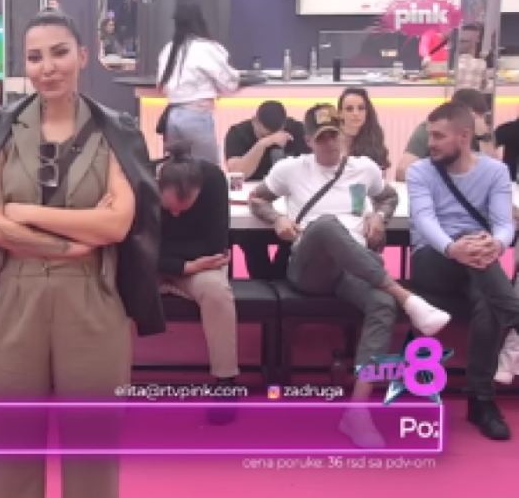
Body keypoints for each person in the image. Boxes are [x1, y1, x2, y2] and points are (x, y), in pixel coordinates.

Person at [0, 7, 163, 498]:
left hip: (94, 300)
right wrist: (74, 242)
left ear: (82, 56)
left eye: (59, 53)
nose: (47, 67)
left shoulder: (117, 130)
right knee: (8, 451)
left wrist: (22, 212)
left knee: (93, 452)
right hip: (14, 296)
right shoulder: (1, 127)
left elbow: (117, 223)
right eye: (35, 57)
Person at [249, 103, 451, 448]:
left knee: (382, 304)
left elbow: (387, 196)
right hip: (309, 268)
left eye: (335, 135)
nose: (330, 143)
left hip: (354, 268)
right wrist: (277, 218)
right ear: (309, 140)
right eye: (323, 138)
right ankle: (406, 295)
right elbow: (257, 198)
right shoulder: (290, 168)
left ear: (343, 135)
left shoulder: (364, 168)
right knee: (327, 225)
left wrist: (380, 217)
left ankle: (357, 410)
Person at [406, 101, 519, 441]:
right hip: (433, 258)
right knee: (477, 257)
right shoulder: (420, 171)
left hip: (478, 264)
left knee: (487, 301)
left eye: (439, 136)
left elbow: (504, 224)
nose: (431, 143)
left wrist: (497, 244)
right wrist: (453, 247)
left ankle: (480, 400)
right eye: (430, 136)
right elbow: (424, 221)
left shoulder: (495, 172)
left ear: (464, 136)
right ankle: (515, 314)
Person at [158, 143, 240, 424]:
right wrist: (183, 265)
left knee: (217, 291)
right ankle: (113, 380)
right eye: (171, 208)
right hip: (158, 265)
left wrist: (169, 257)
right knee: (110, 286)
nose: (176, 214)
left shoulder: (214, 180)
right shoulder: (140, 180)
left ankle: (226, 380)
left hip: (202, 265)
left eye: (184, 208)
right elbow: (137, 247)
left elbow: (216, 246)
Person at [225, 100, 310, 279]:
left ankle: (278, 279)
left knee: (297, 238)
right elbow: (237, 172)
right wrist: (262, 144)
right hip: (254, 201)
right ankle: (263, 282)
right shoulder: (238, 133)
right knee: (251, 242)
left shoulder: (298, 131)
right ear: (254, 121)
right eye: (266, 133)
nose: (274, 138)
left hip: (290, 203)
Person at [156, 0, 239, 164]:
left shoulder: (168, 49)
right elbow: (230, 83)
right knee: (207, 171)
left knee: (178, 170)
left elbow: (163, 86)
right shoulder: (206, 48)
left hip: (172, 117)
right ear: (201, 20)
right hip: (197, 117)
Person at [396, 88, 500, 181]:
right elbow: (402, 171)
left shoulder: (484, 133)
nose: (478, 121)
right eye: (475, 116)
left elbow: (494, 174)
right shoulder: (431, 129)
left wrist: (483, 137)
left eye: (481, 116)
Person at [337, 88, 390, 171]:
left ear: (367, 112)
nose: (356, 113)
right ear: (340, 114)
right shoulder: (332, 139)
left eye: (361, 108)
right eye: (349, 109)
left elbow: (380, 173)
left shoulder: (374, 137)